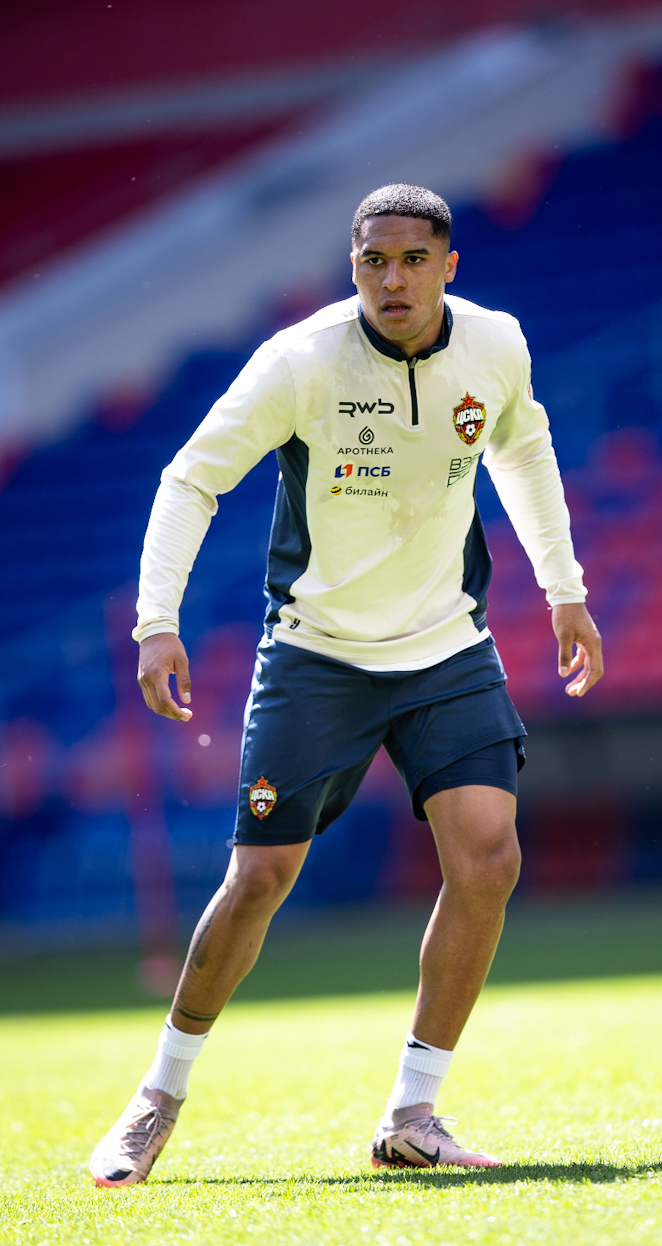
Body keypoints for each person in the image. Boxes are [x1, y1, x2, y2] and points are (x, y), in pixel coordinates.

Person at [90, 183, 603, 1187]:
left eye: (412, 260)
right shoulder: (302, 361)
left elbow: (522, 449)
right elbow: (190, 479)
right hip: (316, 654)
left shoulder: (495, 345)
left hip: (445, 646)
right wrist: (157, 622)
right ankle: (158, 1095)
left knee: (488, 856)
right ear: (353, 267)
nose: (392, 279)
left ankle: (412, 1113)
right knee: (259, 880)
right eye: (373, 261)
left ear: (448, 265)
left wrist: (565, 590)